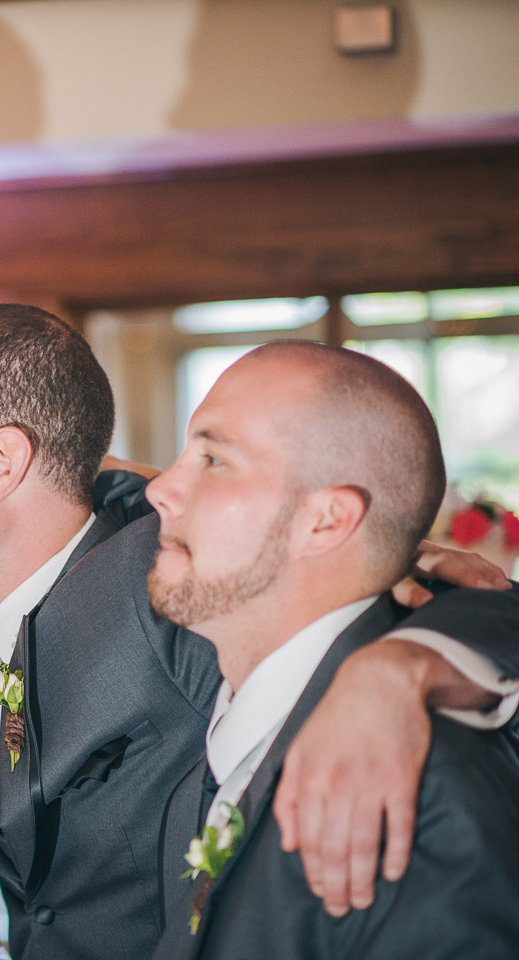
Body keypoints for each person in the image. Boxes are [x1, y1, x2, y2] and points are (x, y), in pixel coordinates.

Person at [0, 306, 518, 959]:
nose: (165, 486)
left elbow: (421, 591)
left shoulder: (162, 584)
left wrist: (401, 657)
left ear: (2, 462)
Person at [146, 343, 519, 959]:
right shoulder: (223, 726)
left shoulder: (409, 804)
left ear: (326, 522)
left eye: (213, 459)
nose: (162, 489)